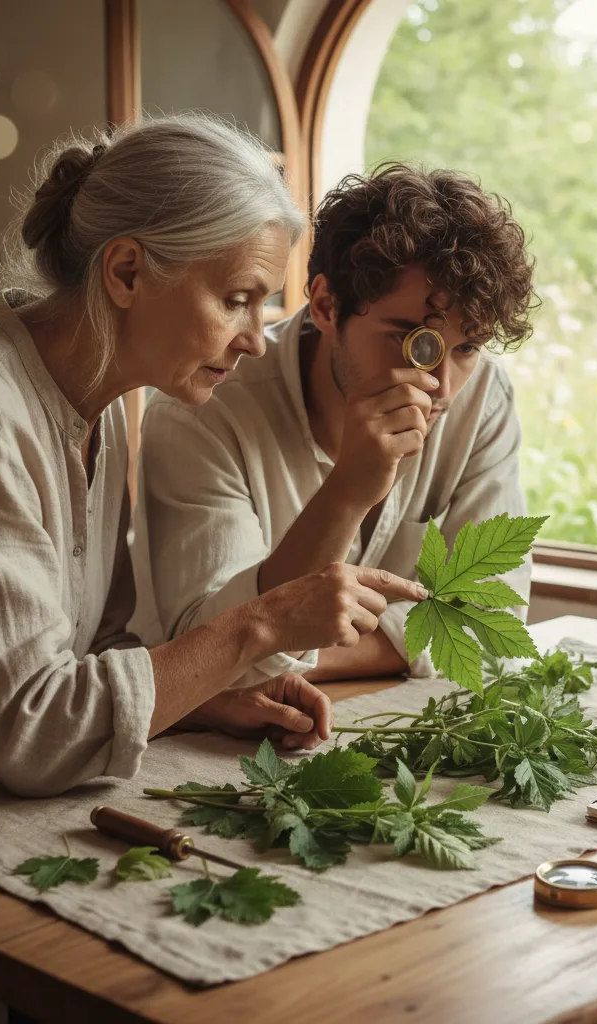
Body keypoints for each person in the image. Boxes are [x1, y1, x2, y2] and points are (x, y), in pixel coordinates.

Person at [0, 116, 427, 797]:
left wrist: (199, 698)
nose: (255, 341)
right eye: (236, 300)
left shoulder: (100, 404)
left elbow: (82, 653)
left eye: (262, 307)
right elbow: (34, 736)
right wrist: (261, 623)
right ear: (126, 271)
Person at [133, 163, 537, 684]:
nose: (440, 383)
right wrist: (348, 491)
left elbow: (492, 627)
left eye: (466, 348)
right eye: (408, 338)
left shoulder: (483, 397)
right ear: (325, 304)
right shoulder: (204, 410)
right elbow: (202, 650)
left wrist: (294, 657)